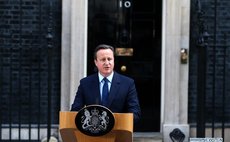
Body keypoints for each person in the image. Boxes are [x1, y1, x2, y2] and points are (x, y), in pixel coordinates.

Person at [71, 44, 141, 123]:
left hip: (118, 132)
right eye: (103, 59)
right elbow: (75, 111)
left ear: (113, 60)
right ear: (96, 62)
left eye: (109, 59)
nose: (107, 63)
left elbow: (135, 113)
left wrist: (117, 121)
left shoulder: (127, 83)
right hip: (93, 132)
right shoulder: (85, 83)